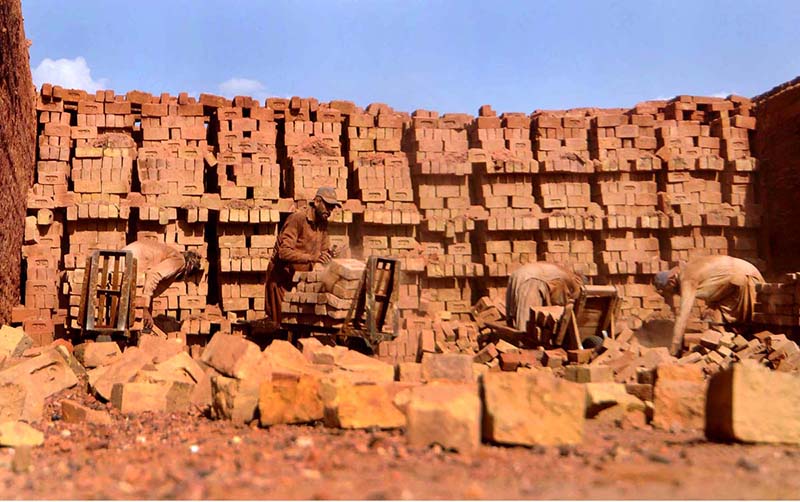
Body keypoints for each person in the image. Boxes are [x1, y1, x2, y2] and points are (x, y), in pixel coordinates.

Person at [654, 255, 765, 357]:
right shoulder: (691, 267)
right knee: (713, 314)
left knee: (743, 325)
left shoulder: (686, 278)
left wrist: (674, 348)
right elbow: (717, 287)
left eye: (668, 291)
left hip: (745, 280)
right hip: (749, 275)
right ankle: (728, 349)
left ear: (671, 281)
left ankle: (744, 349)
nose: (673, 294)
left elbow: (683, 315)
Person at [265, 187, 341, 325]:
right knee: (284, 324)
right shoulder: (297, 219)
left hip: (299, 278)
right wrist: (312, 257)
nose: (330, 211)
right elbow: (284, 252)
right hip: (281, 278)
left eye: (332, 208)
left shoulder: (323, 223)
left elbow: (322, 252)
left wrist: (329, 254)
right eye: (328, 206)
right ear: (317, 201)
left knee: (300, 323)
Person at [121, 240, 203, 330]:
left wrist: (148, 313)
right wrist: (144, 309)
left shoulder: (172, 255)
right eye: (188, 275)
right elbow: (153, 275)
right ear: (190, 266)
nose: (184, 279)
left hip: (127, 259)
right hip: (127, 261)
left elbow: (151, 288)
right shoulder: (180, 261)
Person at [505, 262, 585, 331]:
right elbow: (559, 301)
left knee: (516, 315)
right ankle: (524, 345)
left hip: (519, 274)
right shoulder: (576, 283)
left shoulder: (565, 272)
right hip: (532, 279)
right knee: (527, 322)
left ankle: (512, 340)